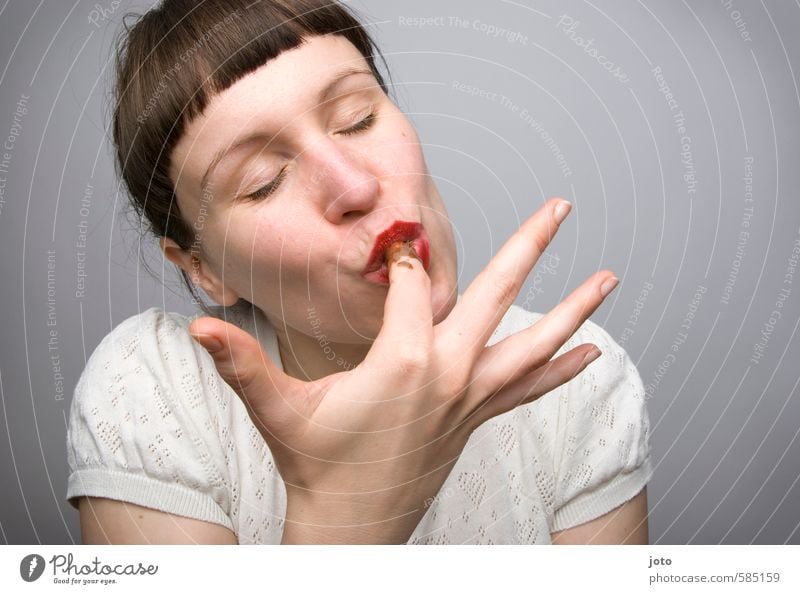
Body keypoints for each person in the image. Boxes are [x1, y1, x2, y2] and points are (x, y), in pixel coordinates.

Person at [66, 0, 653, 544]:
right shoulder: (155, 390)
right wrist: (348, 508)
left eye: (358, 119)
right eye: (263, 181)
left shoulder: (579, 377)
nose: (356, 185)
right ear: (204, 269)